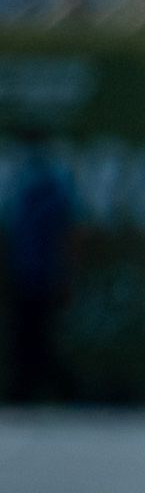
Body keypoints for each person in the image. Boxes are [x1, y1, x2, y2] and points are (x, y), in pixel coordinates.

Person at [3, 130, 76, 405]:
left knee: (37, 342)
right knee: (25, 341)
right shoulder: (23, 182)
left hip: (43, 275)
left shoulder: (52, 182)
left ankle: (58, 391)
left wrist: (65, 275)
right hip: (25, 274)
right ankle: (23, 391)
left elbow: (69, 234)